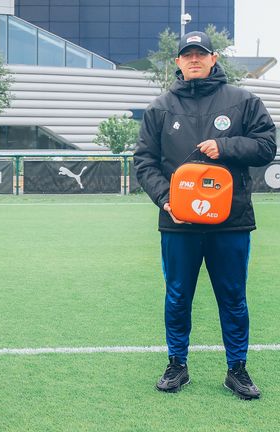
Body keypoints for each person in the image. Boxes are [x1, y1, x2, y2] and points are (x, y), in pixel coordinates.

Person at [134, 31, 276, 400]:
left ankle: (237, 370)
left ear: (214, 58)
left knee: (233, 297)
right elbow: (145, 162)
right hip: (178, 223)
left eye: (200, 54)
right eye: (186, 55)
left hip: (231, 222)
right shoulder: (159, 107)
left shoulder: (243, 101)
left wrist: (225, 146)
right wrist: (168, 200)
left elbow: (266, 145)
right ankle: (177, 365)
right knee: (178, 296)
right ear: (178, 62)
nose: (193, 59)